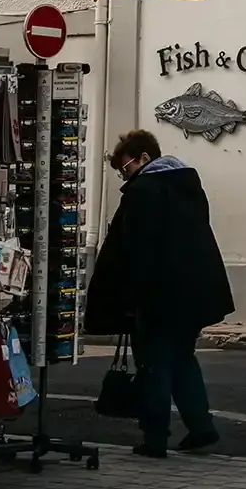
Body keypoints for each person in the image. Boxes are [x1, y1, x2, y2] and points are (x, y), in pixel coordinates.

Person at [84, 128, 234, 458]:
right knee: (182, 358)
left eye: (125, 169)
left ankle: (155, 436)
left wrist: (125, 298)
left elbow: (135, 251)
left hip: (158, 295)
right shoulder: (187, 186)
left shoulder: (144, 192)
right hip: (195, 293)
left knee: (154, 364)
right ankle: (200, 427)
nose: (124, 176)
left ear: (144, 159)